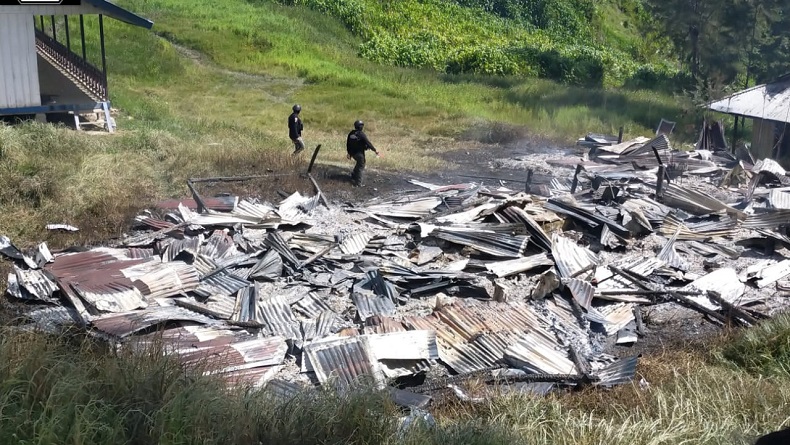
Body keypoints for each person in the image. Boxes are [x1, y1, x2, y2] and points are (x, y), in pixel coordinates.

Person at [346, 120, 380, 187]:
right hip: (359, 154)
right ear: (360, 127)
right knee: (361, 166)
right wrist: (375, 150)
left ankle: (353, 174)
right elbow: (368, 143)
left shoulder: (351, 133)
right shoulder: (361, 134)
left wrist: (349, 153)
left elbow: (348, 144)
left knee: (359, 164)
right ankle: (358, 183)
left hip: (353, 154)